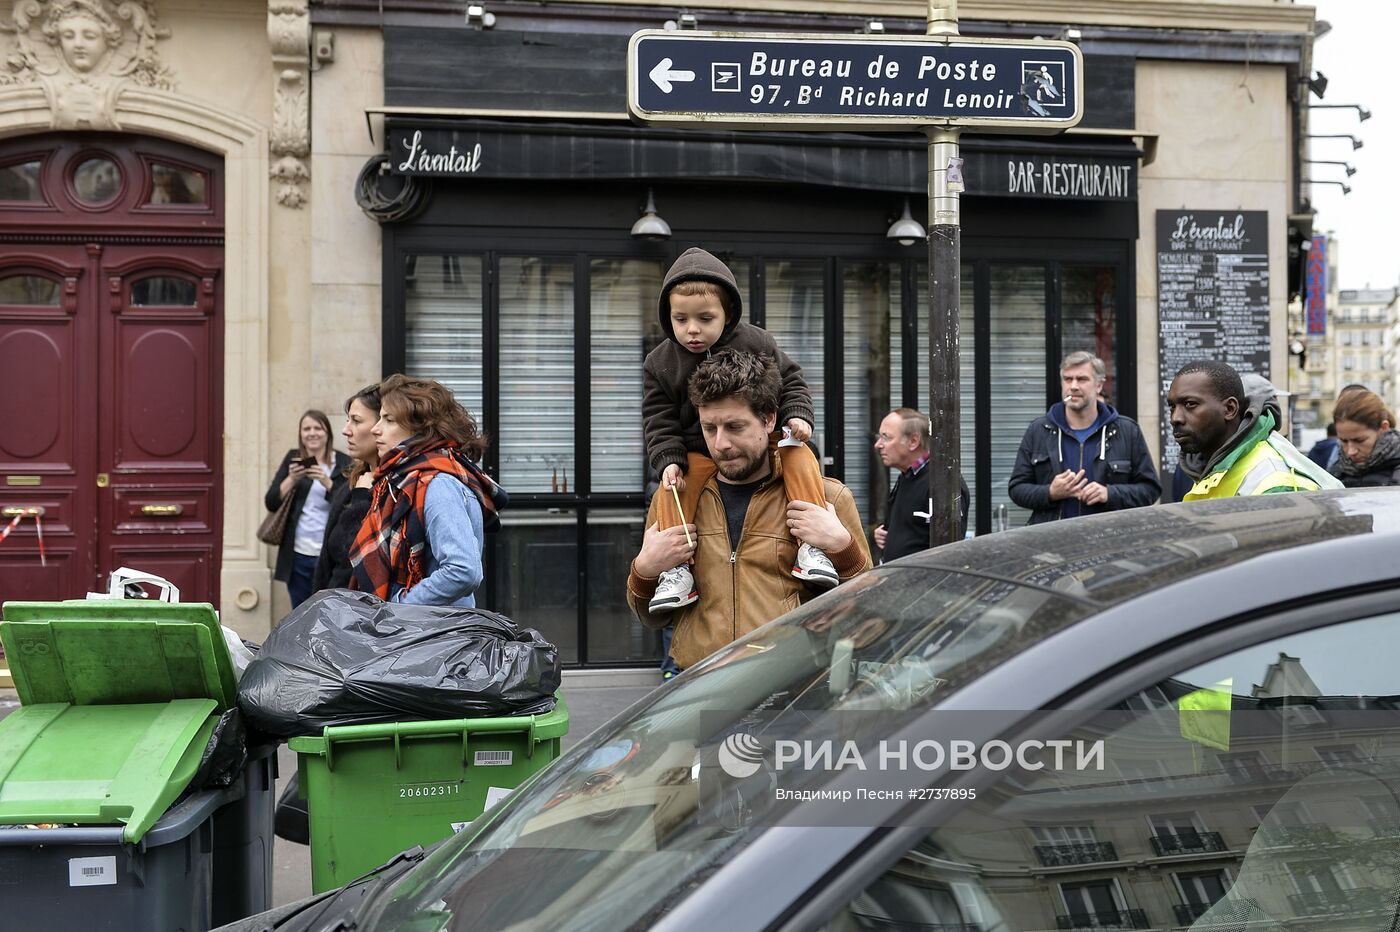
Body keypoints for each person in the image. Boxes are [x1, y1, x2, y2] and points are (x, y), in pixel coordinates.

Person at [626, 350, 872, 672]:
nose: (720, 444)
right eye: (709, 428)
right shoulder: (675, 497)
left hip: (790, 691)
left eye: (735, 426)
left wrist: (842, 546)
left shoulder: (827, 497)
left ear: (769, 419)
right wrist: (644, 570)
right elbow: (650, 617)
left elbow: (867, 610)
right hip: (700, 686)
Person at [643, 247, 835, 614]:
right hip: (693, 450)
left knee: (800, 455)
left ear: (728, 313)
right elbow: (658, 416)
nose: (692, 330)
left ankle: (813, 546)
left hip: (771, 442)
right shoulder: (660, 362)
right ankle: (676, 570)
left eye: (705, 318)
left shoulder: (757, 342)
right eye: (680, 319)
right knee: (672, 489)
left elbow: (792, 379)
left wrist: (797, 416)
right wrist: (667, 458)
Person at [349, 374, 507, 607]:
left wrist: (400, 607)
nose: (375, 429)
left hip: (432, 635)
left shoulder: (438, 483)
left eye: (389, 420)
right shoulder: (405, 479)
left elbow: (463, 570)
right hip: (420, 632)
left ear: (420, 430)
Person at [1007, 352, 1160, 523]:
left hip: (1110, 541)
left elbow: (1150, 490)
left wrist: (1110, 493)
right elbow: (1016, 489)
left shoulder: (1127, 430)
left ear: (1099, 385)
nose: (1073, 386)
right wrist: (1050, 492)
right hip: (1052, 542)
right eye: (1067, 379)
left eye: (1081, 379)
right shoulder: (1039, 430)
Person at [1168, 361, 1340, 500]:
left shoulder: (1275, 482)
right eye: (1172, 407)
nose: (1175, 418)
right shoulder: (1203, 467)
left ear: (1230, 409)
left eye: (1190, 404)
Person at [264, 410, 350, 608]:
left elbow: (349, 505)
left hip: (330, 554)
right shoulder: (293, 459)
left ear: (327, 432)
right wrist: (292, 478)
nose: (312, 433)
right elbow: (271, 502)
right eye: (307, 429)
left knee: (330, 610)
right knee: (301, 610)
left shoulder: (345, 462)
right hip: (298, 554)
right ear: (300, 434)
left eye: (317, 428)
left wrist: (326, 481)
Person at [871, 408, 969, 560]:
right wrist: (890, 535)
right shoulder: (907, 477)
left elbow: (948, 551)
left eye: (886, 437)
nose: (878, 445)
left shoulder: (941, 483)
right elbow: (915, 531)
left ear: (913, 441)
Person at [311, 383, 381, 592]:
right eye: (347, 420)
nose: (346, 430)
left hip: (360, 616)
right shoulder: (353, 481)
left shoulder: (392, 488)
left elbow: (360, 560)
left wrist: (361, 498)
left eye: (356, 421)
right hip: (333, 612)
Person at [1329, 388, 1400, 487]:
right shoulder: (1335, 471)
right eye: (1343, 441)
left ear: (1384, 427)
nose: (1350, 452)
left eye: (1359, 440)